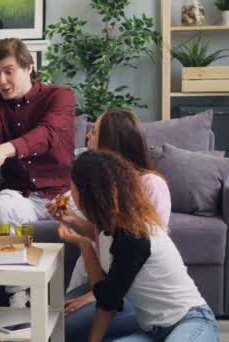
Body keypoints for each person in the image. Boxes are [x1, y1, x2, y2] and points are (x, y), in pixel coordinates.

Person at [60, 150, 220, 342]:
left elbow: (107, 300)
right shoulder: (106, 230)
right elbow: (108, 299)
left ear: (86, 193)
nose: (69, 190)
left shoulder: (133, 235)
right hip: (151, 332)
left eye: (72, 185)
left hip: (191, 321)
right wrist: (84, 243)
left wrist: (85, 245)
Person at [0, 37, 75, 307]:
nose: (1, 80)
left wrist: (5, 150)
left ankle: (81, 295)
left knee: (101, 217)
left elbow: (47, 134)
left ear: (29, 67)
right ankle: (19, 296)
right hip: (22, 196)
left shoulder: (60, 96)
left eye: (8, 71)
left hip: (64, 194)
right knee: (0, 206)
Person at [47, 108, 172, 341]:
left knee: (62, 329)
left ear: (110, 142)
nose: (87, 137)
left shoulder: (151, 185)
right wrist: (71, 220)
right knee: (51, 319)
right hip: (104, 284)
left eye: (93, 132)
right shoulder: (104, 185)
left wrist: (97, 297)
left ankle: (143, 330)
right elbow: (106, 236)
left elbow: (141, 255)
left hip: (132, 291)